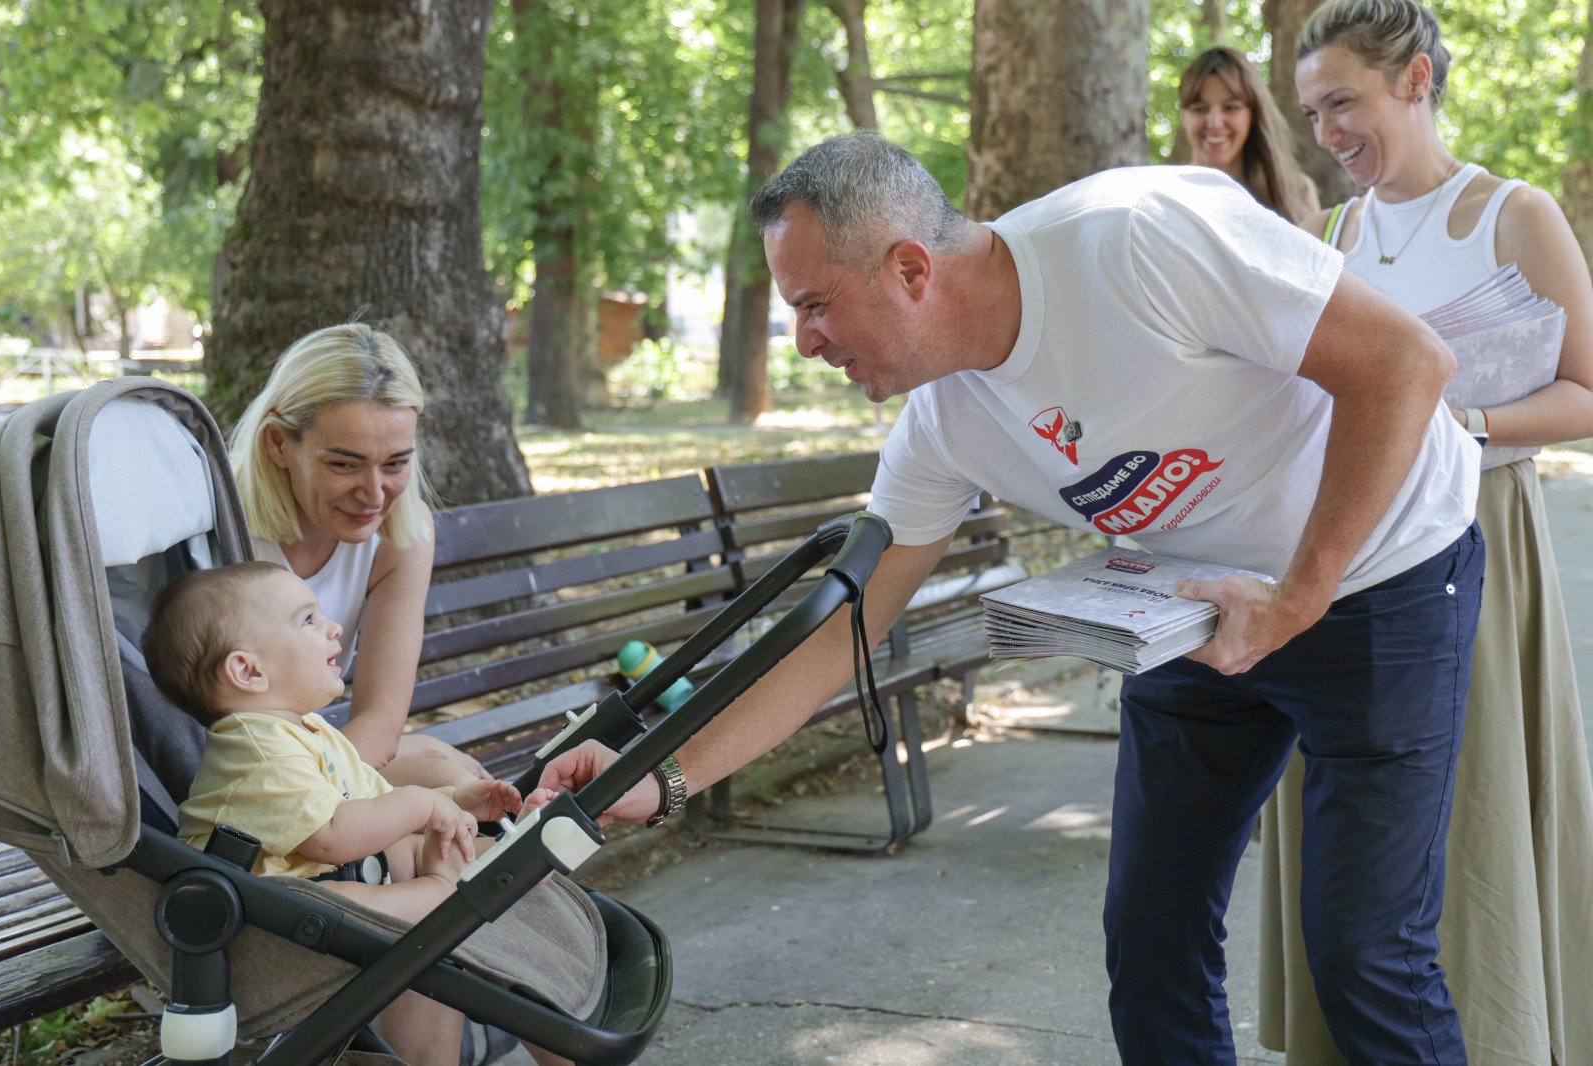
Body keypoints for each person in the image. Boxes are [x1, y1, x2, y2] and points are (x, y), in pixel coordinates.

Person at [540, 129, 1486, 1064]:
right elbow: (841, 633)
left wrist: (1298, 597)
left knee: (1363, 955)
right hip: (1189, 604)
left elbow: (1408, 364)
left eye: (816, 305)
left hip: (1380, 568)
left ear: (910, 269)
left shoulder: (1138, 237)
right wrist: (660, 775)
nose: (804, 341)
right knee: (1151, 940)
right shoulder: (939, 425)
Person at [1255, 2, 1593, 1063]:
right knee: (1356, 826)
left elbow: (1588, 392)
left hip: (1474, 534)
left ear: (1416, 79)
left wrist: (1460, 421)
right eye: (1312, 113)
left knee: (1466, 805)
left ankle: (1491, 1032)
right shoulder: (1334, 236)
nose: (1327, 134)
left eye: (1342, 103)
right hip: (1347, 546)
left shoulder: (1513, 214)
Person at [142, 561, 575, 1066]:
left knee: (420, 850)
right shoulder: (254, 750)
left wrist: (455, 801)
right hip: (273, 931)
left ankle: (509, 854)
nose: (333, 628)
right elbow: (331, 836)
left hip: (338, 893)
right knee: (402, 890)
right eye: (308, 620)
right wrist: (423, 806)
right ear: (248, 671)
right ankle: (468, 881)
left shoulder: (308, 731)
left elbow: (372, 802)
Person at [228, 323, 482, 788]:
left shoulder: (402, 535)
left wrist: (411, 749)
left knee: (461, 789)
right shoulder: (219, 527)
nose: (374, 495)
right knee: (441, 782)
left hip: (305, 765)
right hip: (222, 780)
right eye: (344, 464)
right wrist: (417, 748)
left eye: (395, 463)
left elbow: (380, 723)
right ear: (278, 443)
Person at [1179, 45, 1321, 222]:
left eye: (1231, 108)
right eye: (1200, 109)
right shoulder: (1167, 196)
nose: (1215, 123)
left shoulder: (1297, 193)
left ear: (1253, 114)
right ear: (1183, 117)